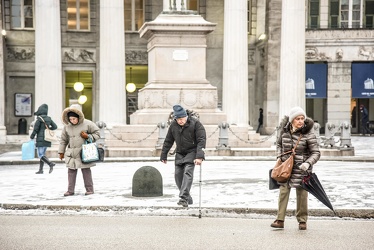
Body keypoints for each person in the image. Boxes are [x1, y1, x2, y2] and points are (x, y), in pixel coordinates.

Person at [271, 106, 320, 230]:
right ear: (292, 120)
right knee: (283, 192)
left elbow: (316, 153)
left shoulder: (308, 134)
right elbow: (278, 144)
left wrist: (308, 164)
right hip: (286, 167)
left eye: (302, 118)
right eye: (297, 118)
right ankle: (280, 219)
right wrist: (279, 156)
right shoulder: (284, 132)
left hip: (302, 169)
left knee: (302, 195)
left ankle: (302, 221)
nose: (300, 121)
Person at [160, 105, 206, 207]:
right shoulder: (173, 125)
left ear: (186, 116)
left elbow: (201, 140)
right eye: (178, 119)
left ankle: (183, 198)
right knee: (178, 176)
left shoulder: (195, 124)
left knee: (187, 173)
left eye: (181, 119)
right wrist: (164, 154)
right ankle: (187, 196)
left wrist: (199, 156)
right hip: (180, 153)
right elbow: (168, 140)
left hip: (192, 152)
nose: (180, 121)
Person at [58, 104, 100, 196]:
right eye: (70, 119)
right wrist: (61, 151)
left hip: (84, 152)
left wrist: (88, 136)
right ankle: (70, 190)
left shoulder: (88, 123)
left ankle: (90, 189)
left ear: (78, 117)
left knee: (86, 171)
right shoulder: (67, 127)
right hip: (71, 153)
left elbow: (97, 133)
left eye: (74, 119)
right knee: (71, 171)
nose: (72, 121)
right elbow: (63, 140)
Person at [30, 104, 58, 174]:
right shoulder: (49, 118)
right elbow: (55, 126)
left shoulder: (39, 119)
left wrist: (32, 136)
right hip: (47, 138)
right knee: (42, 154)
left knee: (40, 155)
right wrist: (48, 129)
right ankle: (41, 170)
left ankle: (50, 163)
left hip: (40, 139)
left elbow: (35, 129)